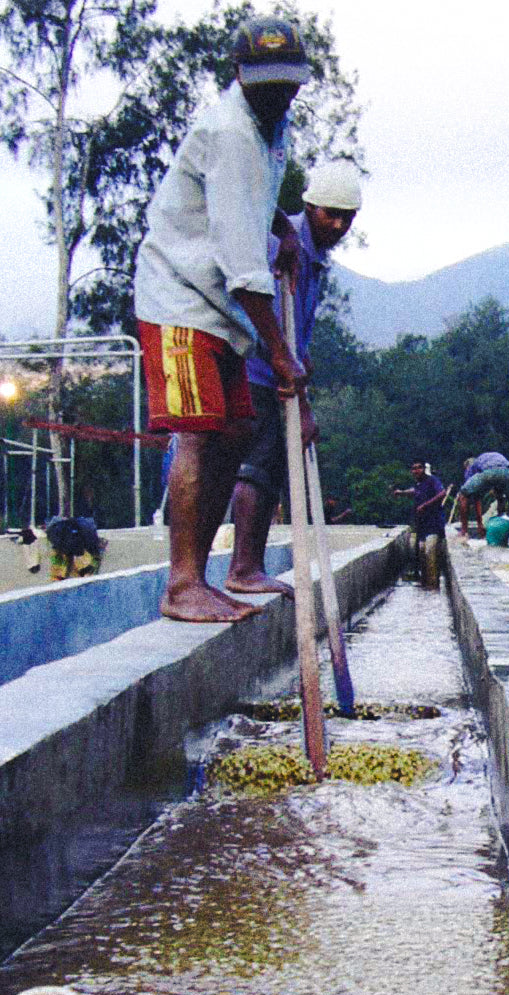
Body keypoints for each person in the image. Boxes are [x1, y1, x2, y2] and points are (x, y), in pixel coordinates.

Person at [134, 16, 312, 622]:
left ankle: (206, 576)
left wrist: (282, 224)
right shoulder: (233, 132)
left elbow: (245, 203)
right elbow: (243, 269)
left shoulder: (271, 124)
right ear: (239, 75)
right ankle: (183, 584)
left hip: (217, 310)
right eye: (265, 86)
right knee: (201, 433)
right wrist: (281, 353)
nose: (277, 96)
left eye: (286, 85)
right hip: (181, 299)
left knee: (234, 432)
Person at [225, 161, 362, 598]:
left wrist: (302, 383)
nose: (338, 224)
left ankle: (252, 565)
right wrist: (290, 374)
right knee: (260, 461)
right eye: (329, 214)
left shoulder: (314, 257)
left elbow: (297, 331)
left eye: (347, 217)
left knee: (276, 464)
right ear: (308, 205)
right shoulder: (284, 246)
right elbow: (260, 310)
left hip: (280, 369)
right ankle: (243, 567)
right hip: (255, 368)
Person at [459, 451, 509, 540]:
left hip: (489, 471)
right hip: (507, 472)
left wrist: (480, 524)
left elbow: (475, 497)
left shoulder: (473, 465)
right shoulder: (490, 458)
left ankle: (464, 532)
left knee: (463, 495)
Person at [393, 461, 447, 542]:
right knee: (421, 549)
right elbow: (415, 491)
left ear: (424, 469)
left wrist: (425, 505)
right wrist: (401, 492)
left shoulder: (432, 480)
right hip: (421, 523)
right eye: (414, 469)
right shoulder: (419, 483)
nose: (417, 470)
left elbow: (442, 493)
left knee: (429, 549)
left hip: (434, 523)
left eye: (419, 467)